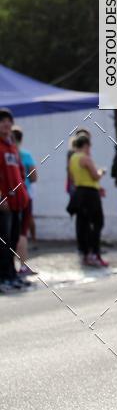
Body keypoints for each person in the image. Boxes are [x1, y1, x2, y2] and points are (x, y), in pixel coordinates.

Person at [0, 108, 30, 292]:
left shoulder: (12, 146)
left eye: (8, 121)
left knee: (12, 241)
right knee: (3, 243)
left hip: (17, 202)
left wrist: (24, 195)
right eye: (2, 121)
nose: (6, 124)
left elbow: (19, 173)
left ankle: (12, 275)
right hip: (3, 204)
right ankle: (3, 278)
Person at [68, 134, 108, 268]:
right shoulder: (85, 158)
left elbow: (72, 178)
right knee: (98, 223)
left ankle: (86, 254)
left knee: (83, 224)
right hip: (90, 194)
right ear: (85, 145)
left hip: (79, 192)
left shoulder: (72, 158)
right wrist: (102, 171)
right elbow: (95, 176)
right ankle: (95, 253)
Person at [11, 126, 37, 276]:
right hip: (23, 195)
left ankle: (11, 267)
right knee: (22, 231)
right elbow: (34, 176)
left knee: (10, 232)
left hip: (8, 196)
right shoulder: (25, 155)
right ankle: (23, 265)